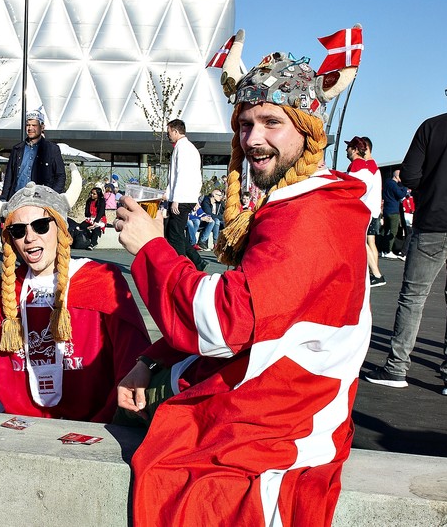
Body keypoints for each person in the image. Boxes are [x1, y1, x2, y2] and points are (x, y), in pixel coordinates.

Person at [114, 37, 369, 525]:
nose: (254, 138)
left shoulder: (312, 215)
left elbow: (222, 320)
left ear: (308, 132)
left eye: (272, 122)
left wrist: (151, 248)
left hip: (283, 408)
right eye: (246, 124)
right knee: (135, 388)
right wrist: (152, 358)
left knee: (169, 452)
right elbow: (251, 313)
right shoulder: (302, 202)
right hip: (270, 376)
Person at [0, 168, 150, 422]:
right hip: (18, 428)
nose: (29, 237)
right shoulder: (8, 287)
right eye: (18, 231)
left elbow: (133, 358)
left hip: (93, 427)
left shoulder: (100, 279)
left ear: (61, 229)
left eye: (40, 226)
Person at [365, 84, 447, 396]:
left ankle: (397, 367)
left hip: (434, 222)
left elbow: (410, 175)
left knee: (413, 297)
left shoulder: (432, 127)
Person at [165, 119, 207, 271]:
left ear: (176, 132)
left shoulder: (182, 148)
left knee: (174, 235)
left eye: (169, 132)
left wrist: (175, 199)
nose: (168, 135)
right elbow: (196, 176)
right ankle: (197, 261)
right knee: (175, 232)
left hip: (181, 199)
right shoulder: (191, 149)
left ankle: (182, 269)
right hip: (186, 197)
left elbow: (180, 174)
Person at [0, 108, 65, 200]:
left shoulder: (52, 149)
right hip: (17, 199)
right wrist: (4, 198)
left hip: (41, 200)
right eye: (28, 125)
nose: (30, 128)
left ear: (42, 127)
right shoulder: (17, 149)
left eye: (34, 125)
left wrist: (53, 197)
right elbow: (9, 177)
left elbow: (60, 176)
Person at [346, 136, 384, 286]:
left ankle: (375, 273)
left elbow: (354, 189)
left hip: (365, 210)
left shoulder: (360, 167)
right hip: (373, 210)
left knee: (364, 242)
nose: (346, 151)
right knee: (370, 242)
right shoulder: (374, 167)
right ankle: (375, 273)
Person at [380, 169, 409, 259]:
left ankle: (382, 250)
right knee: (393, 231)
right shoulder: (393, 185)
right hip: (393, 210)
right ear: (396, 176)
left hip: (386, 209)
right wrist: (404, 187)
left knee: (385, 230)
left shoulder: (387, 184)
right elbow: (400, 195)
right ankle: (388, 250)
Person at [78, 186, 106, 250]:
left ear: (98, 195)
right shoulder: (89, 201)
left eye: (94, 194)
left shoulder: (102, 201)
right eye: (91, 193)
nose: (92, 195)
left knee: (96, 228)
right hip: (90, 219)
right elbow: (87, 213)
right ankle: (89, 235)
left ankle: (93, 243)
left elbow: (101, 213)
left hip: (99, 219)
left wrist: (95, 221)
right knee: (81, 226)